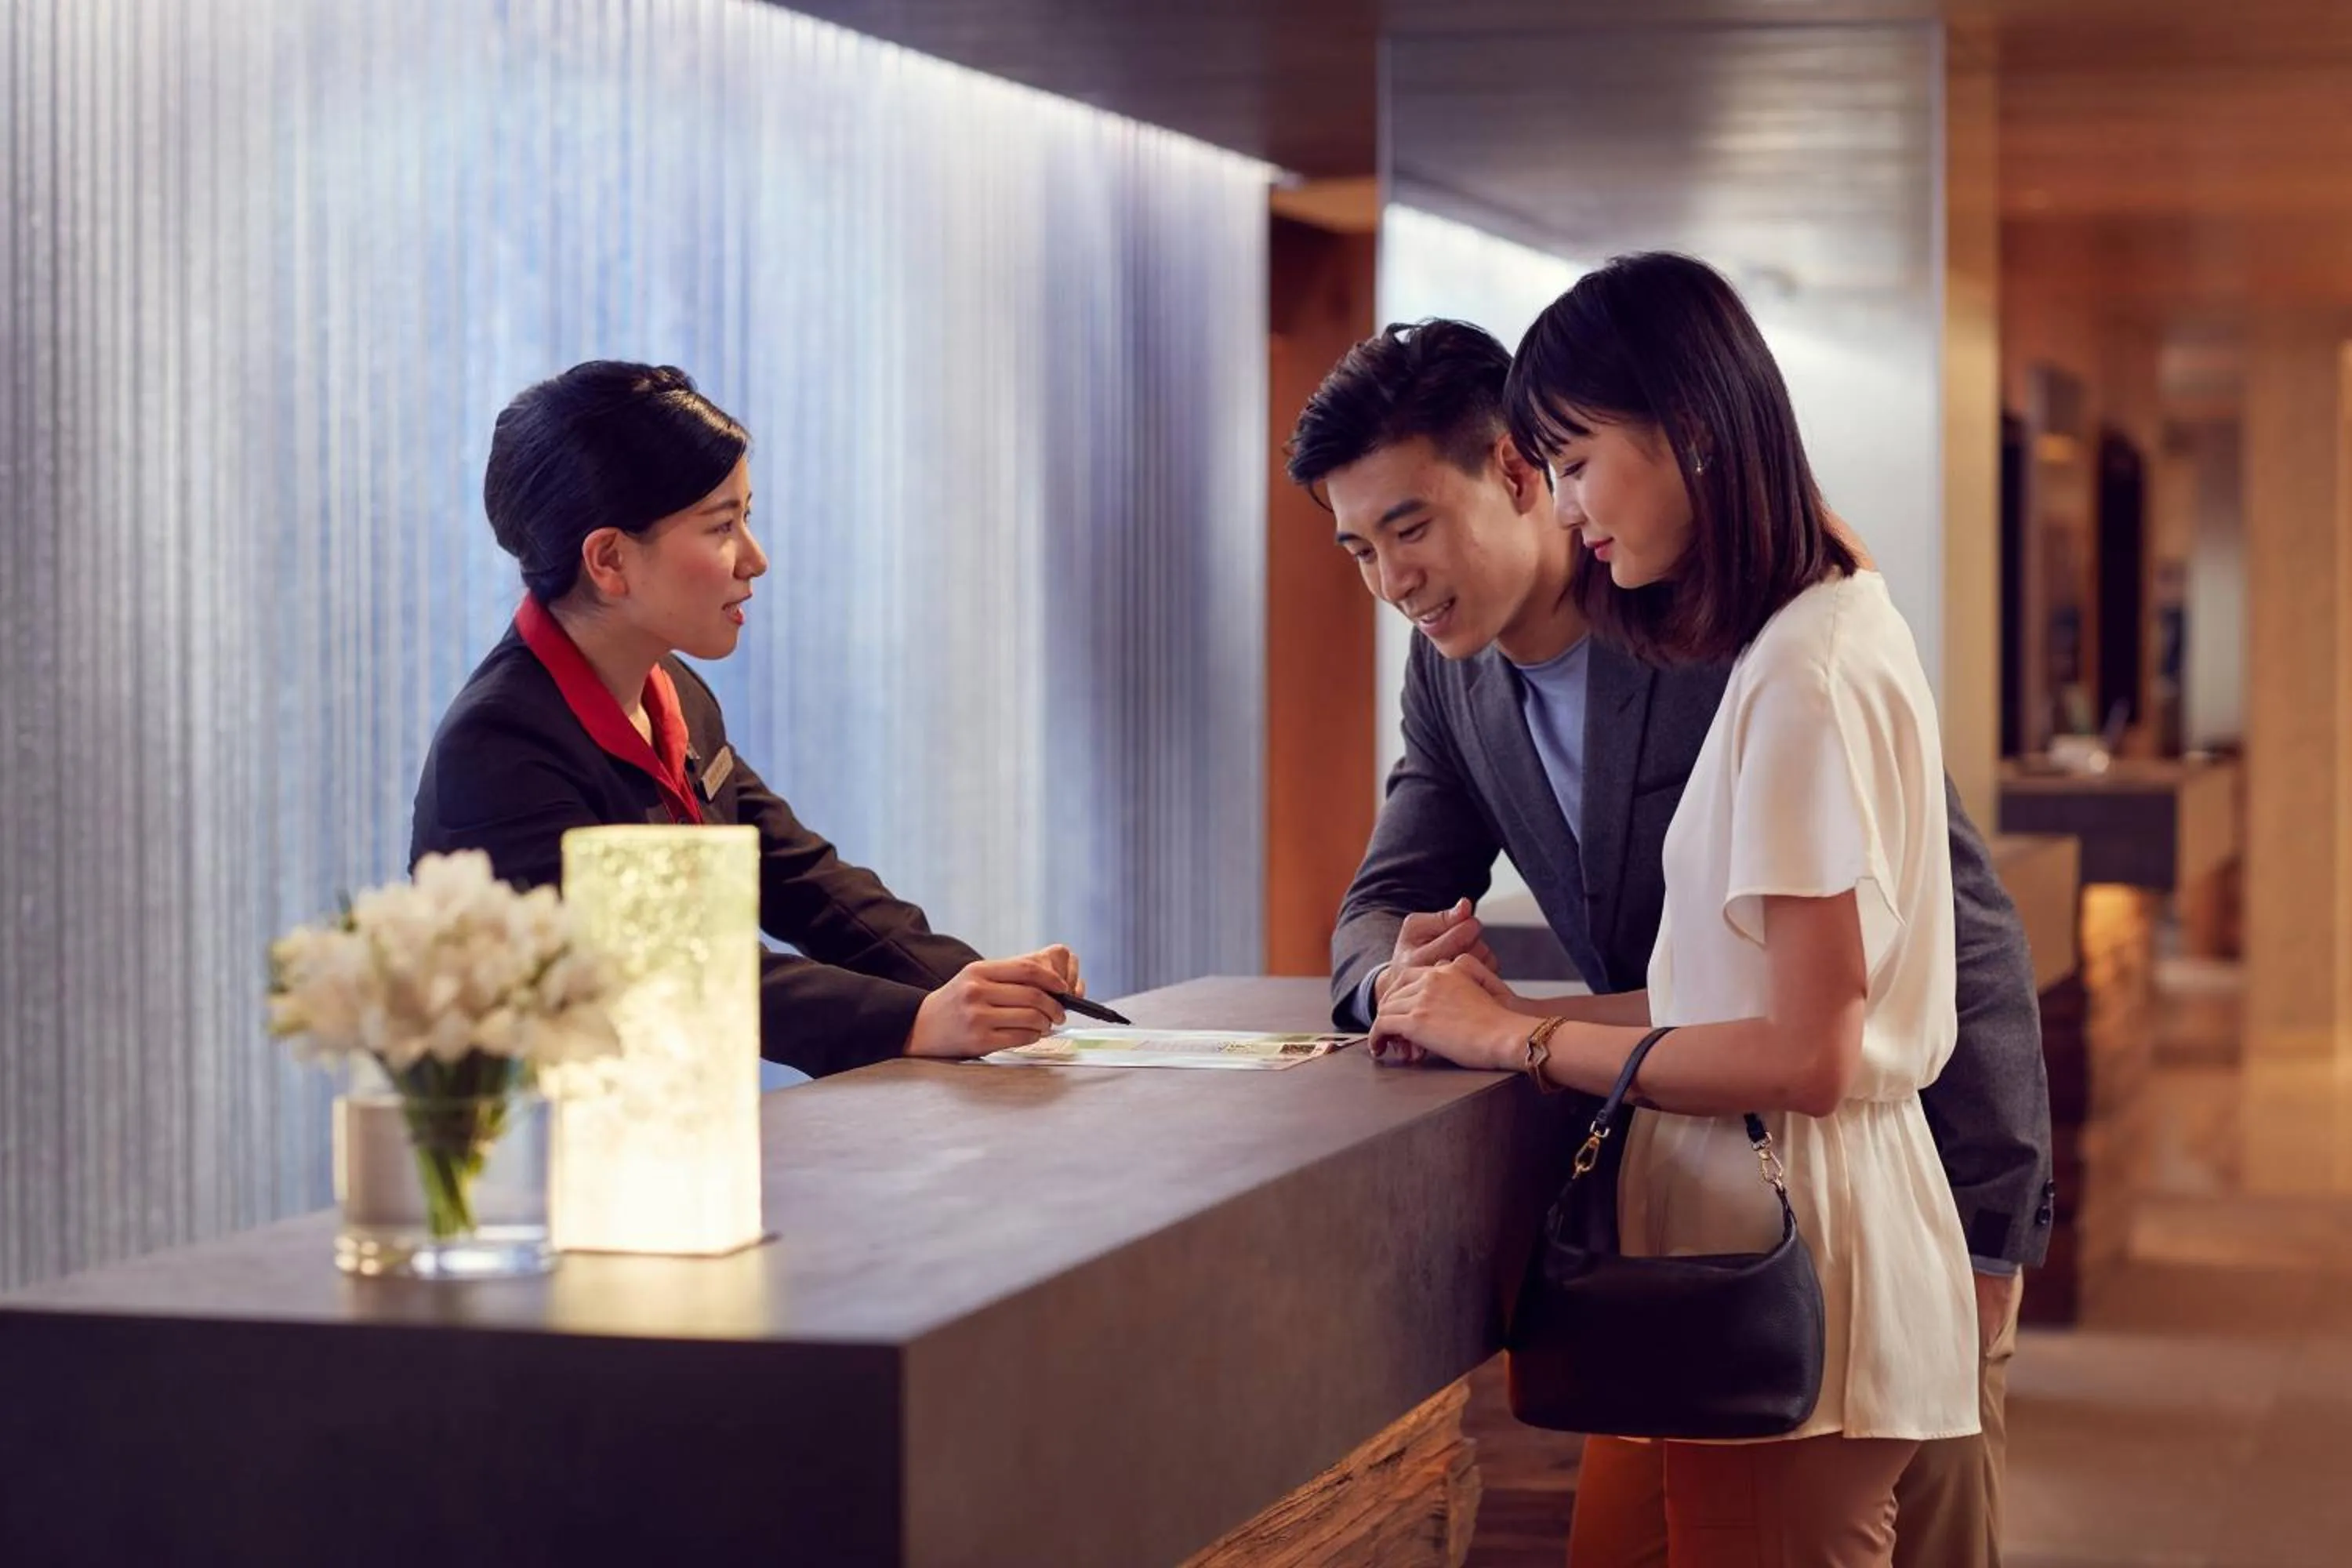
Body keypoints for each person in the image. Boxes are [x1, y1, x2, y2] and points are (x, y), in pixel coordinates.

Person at [1288, 289, 2048, 1565]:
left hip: (1861, 1190)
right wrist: (1399, 987)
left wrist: (1991, 1223)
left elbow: (1948, 919)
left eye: (1409, 526)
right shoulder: (1455, 672)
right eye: (1358, 550)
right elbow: (1384, 900)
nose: (1391, 578)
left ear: (1521, 472)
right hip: (1700, 1212)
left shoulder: (1742, 634)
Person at [412, 361, 1084, 1077]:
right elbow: (666, 973)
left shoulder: (673, 691)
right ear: (609, 559)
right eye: (722, 526)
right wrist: (917, 1019)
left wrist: (981, 985)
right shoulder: (502, 746)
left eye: (747, 517)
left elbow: (802, 881)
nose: (755, 560)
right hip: (531, 1157)